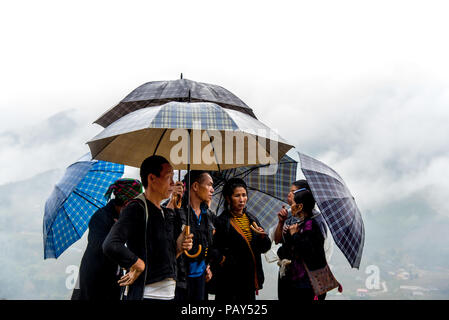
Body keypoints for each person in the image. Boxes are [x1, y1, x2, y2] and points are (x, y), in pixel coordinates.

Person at [102, 155, 193, 300]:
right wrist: (137, 264)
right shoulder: (137, 207)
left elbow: (164, 257)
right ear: (152, 178)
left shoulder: (164, 212)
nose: (173, 182)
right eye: (168, 177)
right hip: (147, 295)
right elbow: (111, 244)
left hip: (168, 295)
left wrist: (178, 248)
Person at [71, 178, 143, 300]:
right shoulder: (100, 218)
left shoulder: (123, 219)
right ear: (127, 204)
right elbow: (101, 247)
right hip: (95, 279)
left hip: (113, 280)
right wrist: (116, 230)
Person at [209, 178, 271, 301]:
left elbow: (265, 248)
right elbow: (212, 248)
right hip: (229, 281)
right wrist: (223, 260)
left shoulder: (252, 219)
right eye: (237, 195)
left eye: (244, 195)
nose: (242, 200)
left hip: (249, 281)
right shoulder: (221, 222)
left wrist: (263, 236)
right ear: (228, 198)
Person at [271, 179, 331, 300]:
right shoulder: (296, 218)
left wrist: (294, 234)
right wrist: (282, 223)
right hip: (294, 276)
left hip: (306, 279)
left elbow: (306, 250)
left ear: (300, 205)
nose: (289, 195)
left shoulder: (313, 223)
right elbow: (279, 242)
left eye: (293, 193)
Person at [174, 170, 215, 301]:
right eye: (209, 185)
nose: (212, 190)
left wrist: (207, 265)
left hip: (201, 280)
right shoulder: (176, 211)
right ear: (195, 186)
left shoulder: (207, 214)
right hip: (180, 281)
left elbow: (207, 245)